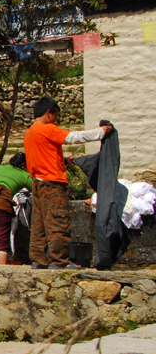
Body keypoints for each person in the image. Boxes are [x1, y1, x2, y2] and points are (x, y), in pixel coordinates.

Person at [23, 97, 112, 269]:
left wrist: (63, 160)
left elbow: (42, 157)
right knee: (58, 221)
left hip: (38, 183)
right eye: (55, 116)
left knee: (39, 224)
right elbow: (74, 137)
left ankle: (38, 259)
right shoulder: (47, 128)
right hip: (52, 184)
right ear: (49, 113)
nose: (55, 120)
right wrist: (100, 132)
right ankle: (60, 262)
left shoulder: (30, 133)